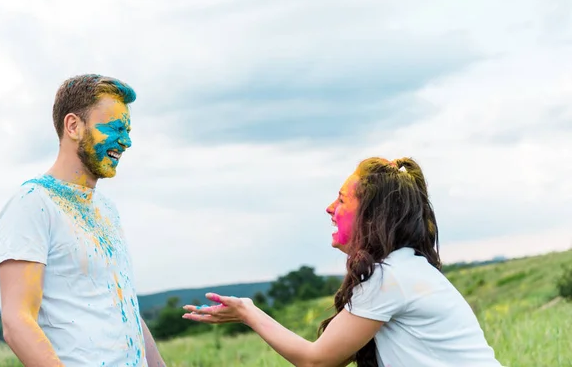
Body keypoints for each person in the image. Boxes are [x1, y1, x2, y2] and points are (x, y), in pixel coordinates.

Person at [182, 157, 503, 367]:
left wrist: (248, 313)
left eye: (342, 199)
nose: (329, 208)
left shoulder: (390, 277)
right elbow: (336, 355)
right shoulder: (404, 269)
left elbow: (316, 361)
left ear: (372, 214)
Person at [0, 74, 165, 366]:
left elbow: (123, 304)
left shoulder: (106, 209)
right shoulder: (33, 203)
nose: (126, 141)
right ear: (73, 126)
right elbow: (16, 322)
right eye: (114, 128)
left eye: (128, 130)